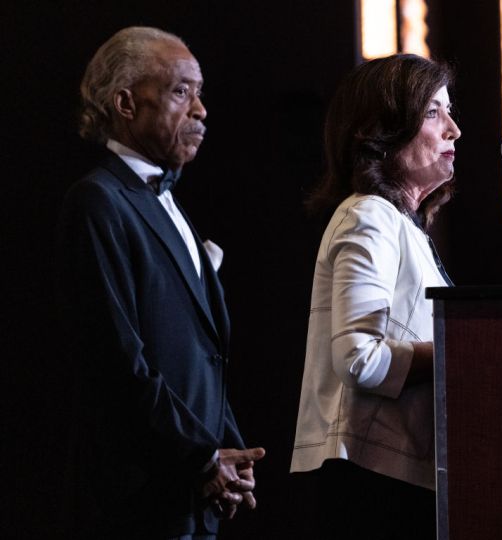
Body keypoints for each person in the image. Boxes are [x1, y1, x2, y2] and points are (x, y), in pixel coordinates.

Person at [56, 26, 265, 539]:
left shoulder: (167, 205)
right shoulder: (98, 202)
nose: (200, 110)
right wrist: (200, 456)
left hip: (192, 494)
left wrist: (227, 449)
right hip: (138, 499)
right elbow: (118, 361)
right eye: (180, 91)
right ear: (125, 104)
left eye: (200, 93)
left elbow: (200, 356)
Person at [290, 54, 461, 539]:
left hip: (396, 479)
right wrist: (460, 352)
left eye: (449, 111)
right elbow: (358, 358)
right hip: (373, 485)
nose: (453, 129)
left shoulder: (403, 226)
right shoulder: (369, 215)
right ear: (380, 130)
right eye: (432, 112)